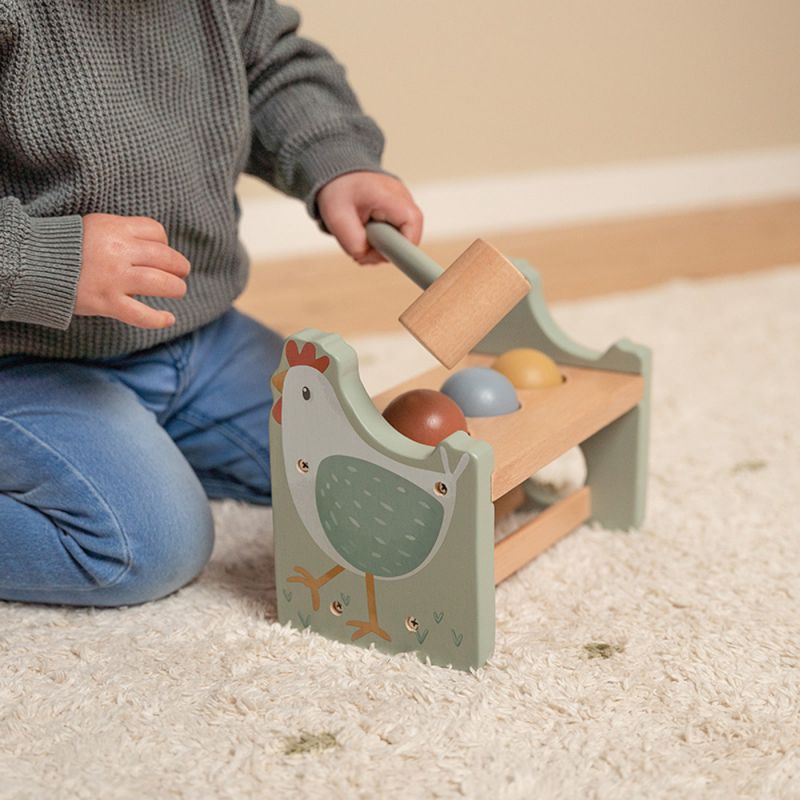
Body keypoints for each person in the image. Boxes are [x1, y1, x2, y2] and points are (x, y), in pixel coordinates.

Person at [0, 1, 423, 607]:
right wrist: (38, 257)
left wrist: (336, 159)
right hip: (20, 362)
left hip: (195, 334)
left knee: (363, 459)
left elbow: (272, 69)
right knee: (143, 544)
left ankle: (141, 440)